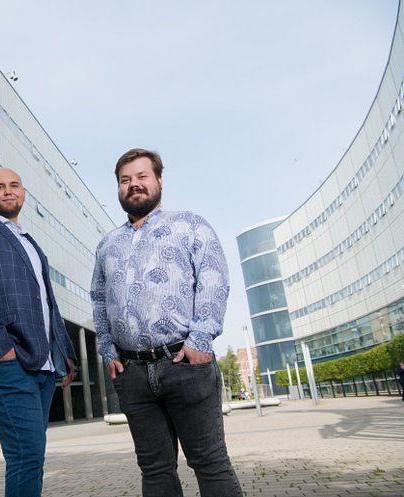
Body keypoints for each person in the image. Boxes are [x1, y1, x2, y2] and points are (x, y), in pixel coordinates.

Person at [90, 148, 243, 497]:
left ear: (159, 180)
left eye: (143, 177)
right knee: (155, 470)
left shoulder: (190, 225)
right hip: (132, 373)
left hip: (184, 364)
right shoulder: (107, 244)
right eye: (125, 180)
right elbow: (98, 298)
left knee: (210, 463)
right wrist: (106, 349)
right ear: (118, 188)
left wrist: (201, 338)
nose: (134, 185)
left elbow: (213, 278)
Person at [0, 167, 77, 497]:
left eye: (14, 186)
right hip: (9, 362)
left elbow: (48, 304)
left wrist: (63, 352)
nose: (8, 191)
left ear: (23, 193)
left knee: (32, 457)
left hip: (43, 366)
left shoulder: (32, 244)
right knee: (26, 457)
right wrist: (1, 349)